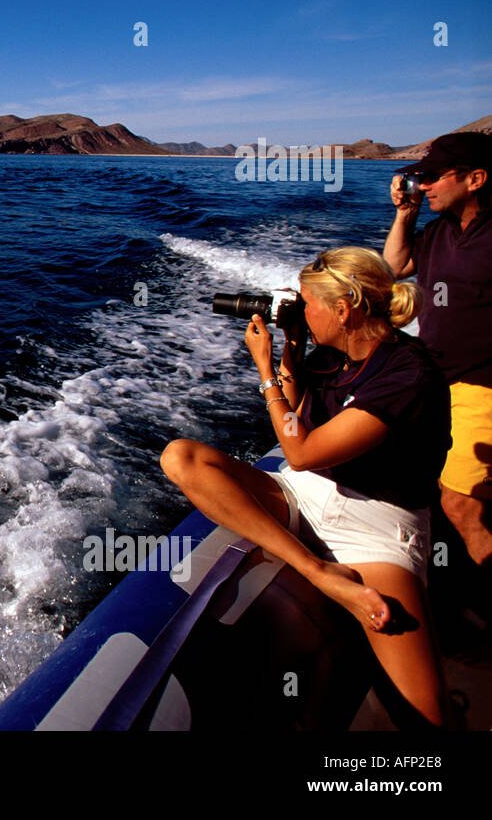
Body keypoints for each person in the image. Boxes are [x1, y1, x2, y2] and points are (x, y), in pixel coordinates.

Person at [160, 247, 451, 727]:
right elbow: (298, 424)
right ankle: (316, 570)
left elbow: (299, 449)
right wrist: (291, 351)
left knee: (424, 716)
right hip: (309, 491)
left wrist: (263, 372)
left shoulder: (407, 374)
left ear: (344, 309)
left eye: (309, 304)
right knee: (182, 457)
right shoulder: (333, 355)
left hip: (377, 523)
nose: (302, 311)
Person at [383, 131, 492, 567]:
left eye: (431, 177)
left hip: (483, 386)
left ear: (476, 179)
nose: (422, 186)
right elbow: (392, 269)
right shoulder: (438, 230)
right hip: (436, 379)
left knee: (461, 505)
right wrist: (405, 215)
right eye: (419, 178)